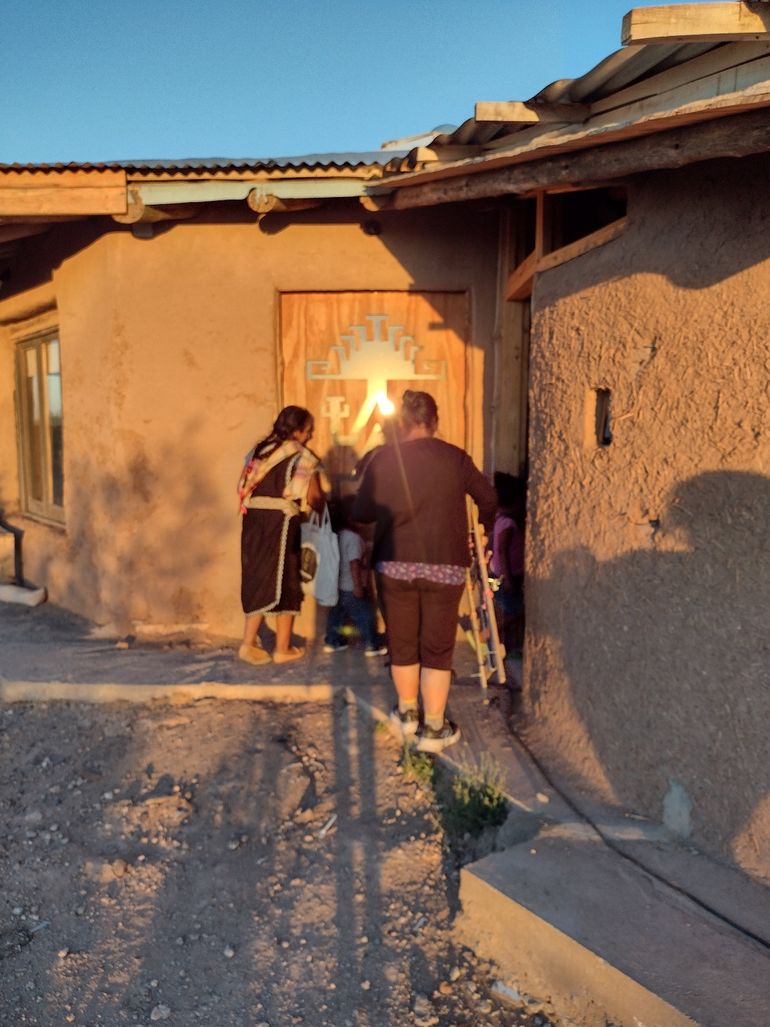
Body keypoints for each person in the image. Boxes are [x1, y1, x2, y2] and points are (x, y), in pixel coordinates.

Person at [353, 390, 497, 752]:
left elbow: (361, 512)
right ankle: (434, 728)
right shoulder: (455, 458)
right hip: (445, 564)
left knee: (402, 642)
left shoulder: (383, 458)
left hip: (395, 562)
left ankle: (407, 715)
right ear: (434, 421)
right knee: (437, 647)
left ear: (401, 423)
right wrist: (483, 528)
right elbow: (488, 498)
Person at [238, 405, 324, 665]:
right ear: (297, 431)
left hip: (253, 521)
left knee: (258, 577)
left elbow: (244, 485)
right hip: (282, 523)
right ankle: (282, 648)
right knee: (286, 581)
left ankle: (248, 642)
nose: (309, 436)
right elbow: (313, 497)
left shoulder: (258, 451)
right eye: (307, 431)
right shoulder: (301, 456)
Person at [323, 495, 387, 657]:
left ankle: (333, 641)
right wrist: (358, 586)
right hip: (351, 586)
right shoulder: (354, 538)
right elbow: (354, 564)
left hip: (338, 586)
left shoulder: (340, 534)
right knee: (366, 615)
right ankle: (372, 644)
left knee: (337, 614)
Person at [491, 472, 526, 660]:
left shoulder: (499, 520)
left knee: (511, 611)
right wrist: (508, 579)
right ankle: (488, 634)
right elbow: (503, 551)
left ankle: (507, 647)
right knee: (516, 611)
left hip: (506, 574)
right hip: (510, 575)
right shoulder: (508, 523)